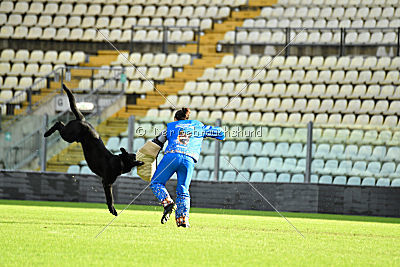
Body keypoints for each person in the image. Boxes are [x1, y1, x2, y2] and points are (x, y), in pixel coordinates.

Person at [150, 108, 225, 227]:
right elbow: (219, 132)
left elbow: (157, 143)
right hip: (189, 159)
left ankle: (167, 202)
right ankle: (182, 220)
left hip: (171, 156)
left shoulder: (170, 127)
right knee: (183, 190)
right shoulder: (198, 126)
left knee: (156, 183)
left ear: (175, 119)